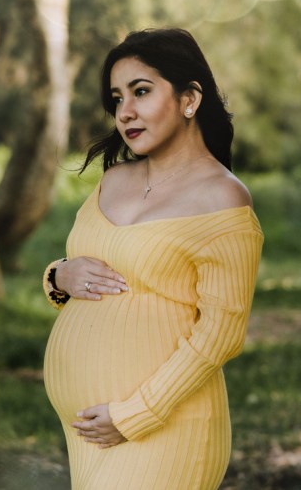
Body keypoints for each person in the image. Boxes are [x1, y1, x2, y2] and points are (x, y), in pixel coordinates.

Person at [41, 28, 263, 490]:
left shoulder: (222, 197)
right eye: (117, 98)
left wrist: (134, 414)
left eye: (141, 91)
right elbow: (80, 269)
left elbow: (222, 334)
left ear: (189, 98)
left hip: (161, 428)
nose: (125, 112)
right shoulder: (113, 180)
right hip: (88, 432)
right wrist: (59, 274)